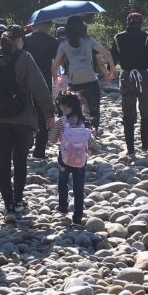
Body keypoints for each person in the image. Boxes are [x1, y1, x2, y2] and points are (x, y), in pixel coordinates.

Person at [0, 29, 55, 221]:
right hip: (23, 118)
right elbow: (38, 86)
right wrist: (48, 112)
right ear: (18, 40)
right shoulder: (25, 57)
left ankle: (8, 205)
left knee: (1, 162)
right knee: (19, 161)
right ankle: (18, 201)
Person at [110, 12, 148, 157]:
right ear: (141, 23)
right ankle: (145, 143)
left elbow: (113, 58)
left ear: (127, 23)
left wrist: (110, 71)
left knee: (128, 113)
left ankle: (130, 149)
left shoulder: (118, 38)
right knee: (145, 109)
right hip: (144, 77)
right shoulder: (147, 37)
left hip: (126, 77)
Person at [53, 15, 111, 132]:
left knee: (74, 110)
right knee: (94, 111)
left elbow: (55, 65)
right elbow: (107, 54)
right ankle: (92, 135)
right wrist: (110, 71)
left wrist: (55, 75)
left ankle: (76, 133)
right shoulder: (89, 41)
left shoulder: (64, 44)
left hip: (74, 82)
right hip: (91, 81)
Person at [48, 92, 92, 226]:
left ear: (65, 106)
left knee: (63, 181)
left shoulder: (61, 121)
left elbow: (52, 140)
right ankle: (77, 218)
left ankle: (63, 207)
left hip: (65, 158)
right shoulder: (84, 121)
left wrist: (52, 129)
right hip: (80, 159)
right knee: (79, 187)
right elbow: (90, 142)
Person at [22, 20, 59, 159]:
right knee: (45, 114)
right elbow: (58, 62)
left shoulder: (25, 40)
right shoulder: (52, 42)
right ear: (48, 26)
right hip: (44, 81)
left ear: (35, 25)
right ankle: (39, 150)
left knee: (25, 113)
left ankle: (24, 146)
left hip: (25, 81)